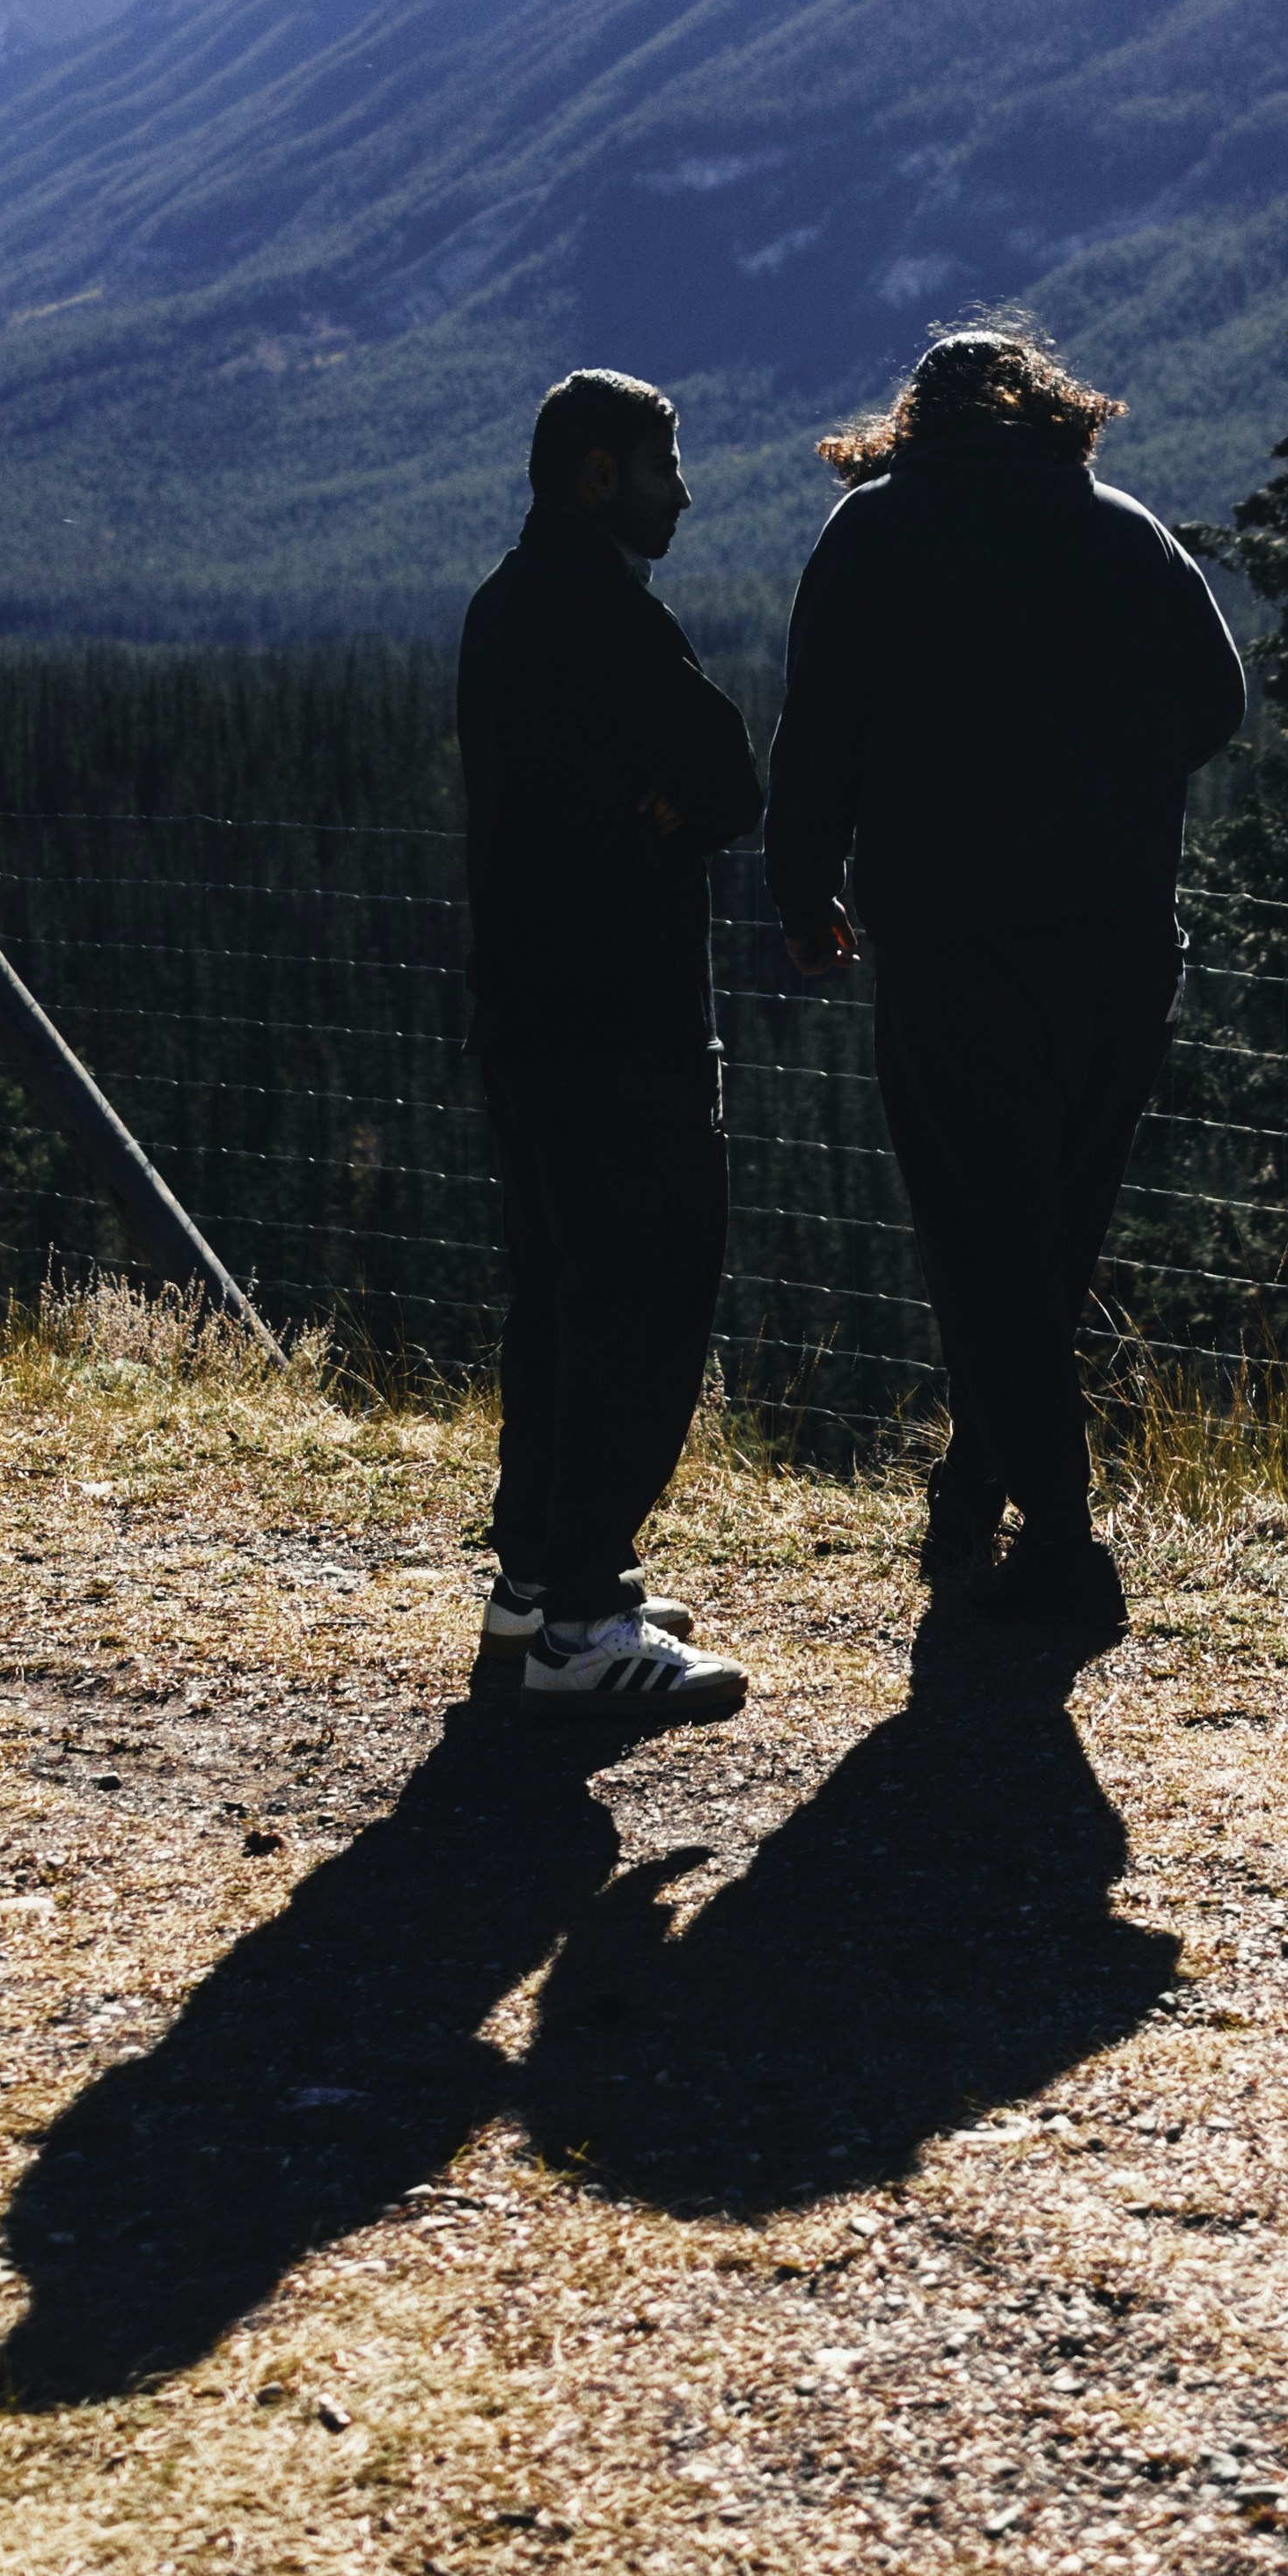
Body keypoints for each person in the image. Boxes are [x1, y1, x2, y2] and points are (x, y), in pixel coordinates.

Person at [764, 322, 1246, 1633]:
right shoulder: (1126, 530)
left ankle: (1063, 1531)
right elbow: (1218, 704)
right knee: (1050, 1224)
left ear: (916, 417)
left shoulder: (878, 532)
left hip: (956, 947)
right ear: (1050, 411)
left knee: (982, 1227)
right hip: (1119, 947)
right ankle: (980, 1483)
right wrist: (1109, 780)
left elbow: (819, 735)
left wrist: (804, 895)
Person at [457, 366, 762, 1726]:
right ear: (596, 476)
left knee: (557, 1301)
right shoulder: (612, 619)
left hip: (522, 1017)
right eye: (661, 465)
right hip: (624, 1025)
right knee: (643, 1298)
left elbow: (681, 782)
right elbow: (731, 779)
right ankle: (585, 1613)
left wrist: (663, 802)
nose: (681, 490)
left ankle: (535, 1588)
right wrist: (664, 814)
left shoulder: (502, 609)